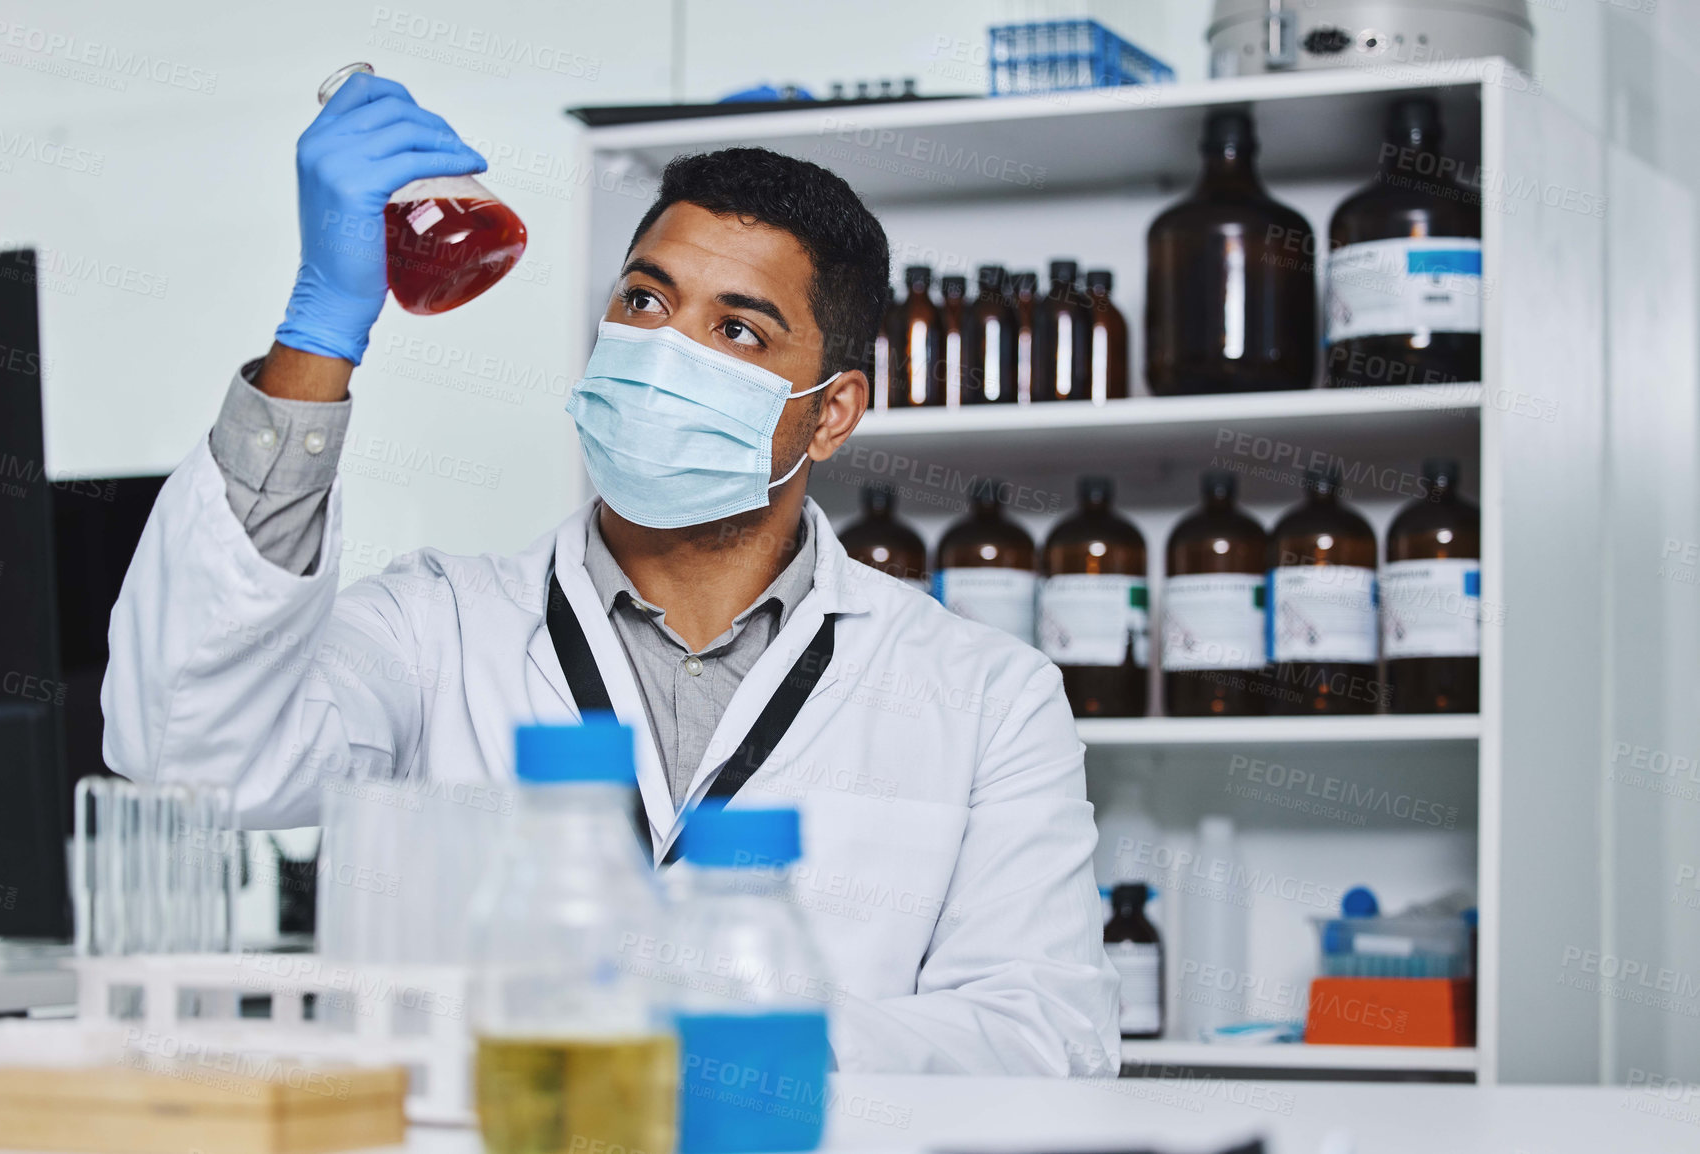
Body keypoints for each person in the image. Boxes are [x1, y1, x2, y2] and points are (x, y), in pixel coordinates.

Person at [103, 72, 1120, 1076]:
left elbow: (1044, 1037)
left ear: (833, 411)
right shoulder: (436, 625)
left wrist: (717, 1027)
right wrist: (319, 335)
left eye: (736, 330)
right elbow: (189, 748)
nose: (665, 350)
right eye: (644, 299)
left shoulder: (988, 695)